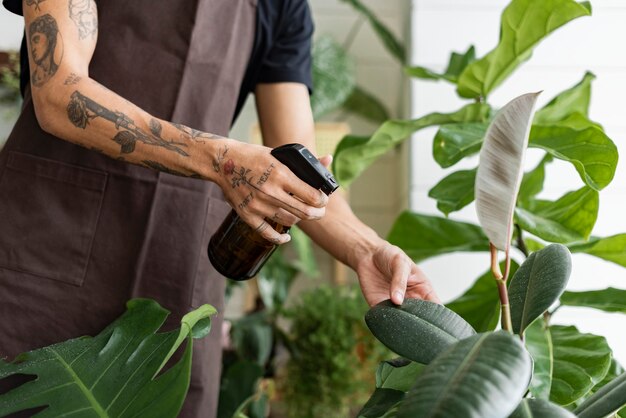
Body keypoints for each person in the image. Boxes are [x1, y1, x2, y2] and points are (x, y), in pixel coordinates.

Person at [0, 0, 439, 416]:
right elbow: (59, 93)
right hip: (45, 244)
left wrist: (367, 249)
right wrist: (224, 161)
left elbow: (301, 173)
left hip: (175, 268)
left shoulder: (280, 7)